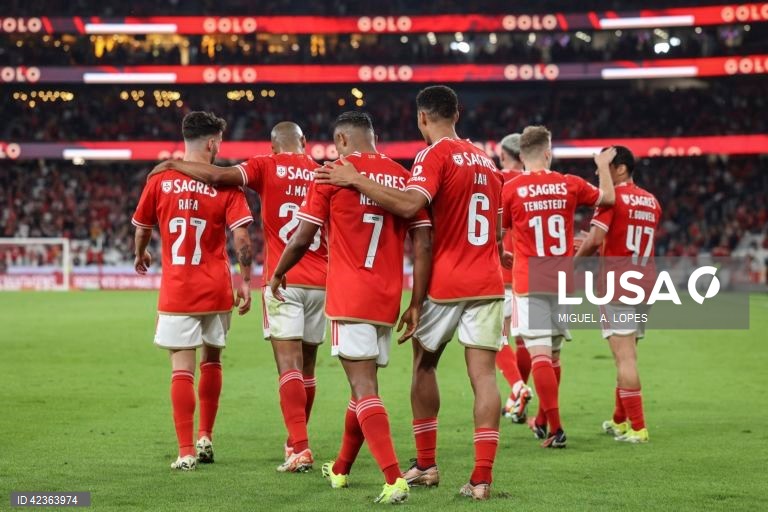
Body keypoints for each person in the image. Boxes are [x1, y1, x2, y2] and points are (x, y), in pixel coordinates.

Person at [317, 86, 507, 500]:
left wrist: (355, 178)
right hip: (489, 280)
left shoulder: (433, 155)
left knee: (424, 366)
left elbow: (408, 206)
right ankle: (481, 479)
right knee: (485, 376)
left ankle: (425, 464)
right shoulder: (489, 164)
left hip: (448, 280)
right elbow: (496, 233)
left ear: (423, 119)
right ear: (457, 112)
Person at [271, 111, 432, 504]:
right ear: (372, 137)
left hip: (349, 294)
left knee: (363, 389)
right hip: (387, 296)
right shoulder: (403, 177)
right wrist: (416, 301)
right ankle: (341, 467)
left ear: (341, 140)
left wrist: (277, 273)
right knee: (363, 389)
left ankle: (394, 479)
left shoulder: (332, 173)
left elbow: (302, 236)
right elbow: (423, 241)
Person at [150, 122, 328, 472]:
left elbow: (217, 177)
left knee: (288, 366)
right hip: (323, 280)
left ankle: (300, 447)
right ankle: (293, 442)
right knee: (307, 368)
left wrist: (173, 165)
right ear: (305, 143)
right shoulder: (324, 173)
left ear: (273, 146)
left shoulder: (264, 164)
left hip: (283, 278)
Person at [132, 111, 253, 470]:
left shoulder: (160, 178)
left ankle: (185, 452)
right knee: (212, 361)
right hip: (216, 288)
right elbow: (242, 238)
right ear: (213, 142)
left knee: (181, 369)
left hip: (178, 288)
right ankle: (206, 437)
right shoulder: (226, 184)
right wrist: (246, 280)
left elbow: (142, 228)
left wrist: (141, 253)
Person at [502, 126, 615, 449]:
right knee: (552, 355)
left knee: (538, 353)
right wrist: (603, 165)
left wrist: (502, 253)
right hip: (563, 278)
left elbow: (498, 231)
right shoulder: (570, 184)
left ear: (522, 156)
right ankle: (541, 419)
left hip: (530, 278)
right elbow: (607, 198)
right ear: (548, 153)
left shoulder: (513, 188)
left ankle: (556, 428)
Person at [575, 146, 661, 444]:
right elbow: (628, 239)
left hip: (617, 284)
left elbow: (597, 239)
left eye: (603, 168)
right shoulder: (652, 201)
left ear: (620, 168)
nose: (600, 176)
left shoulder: (612, 200)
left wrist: (570, 265)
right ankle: (620, 420)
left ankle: (638, 428)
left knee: (624, 358)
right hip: (645, 283)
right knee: (626, 354)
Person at [496, 133, 533, 423]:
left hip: (499, 269)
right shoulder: (535, 184)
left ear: (503, 155)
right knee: (523, 341)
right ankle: (514, 400)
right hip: (529, 272)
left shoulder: (494, 179)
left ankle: (516, 387)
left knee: (498, 338)